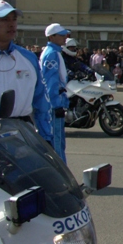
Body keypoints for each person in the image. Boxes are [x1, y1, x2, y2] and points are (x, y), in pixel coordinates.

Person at [0, 0, 53, 145]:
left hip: (20, 136)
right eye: (4, 20)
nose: (11, 24)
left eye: (14, 19)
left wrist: (46, 138)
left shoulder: (28, 58)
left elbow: (41, 102)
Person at [39, 23, 72, 162]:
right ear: (52, 37)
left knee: (58, 142)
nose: (65, 37)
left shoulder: (54, 52)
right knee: (57, 143)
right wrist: (56, 105)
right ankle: (62, 177)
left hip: (55, 102)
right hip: (54, 105)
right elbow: (51, 82)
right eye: (61, 35)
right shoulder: (52, 54)